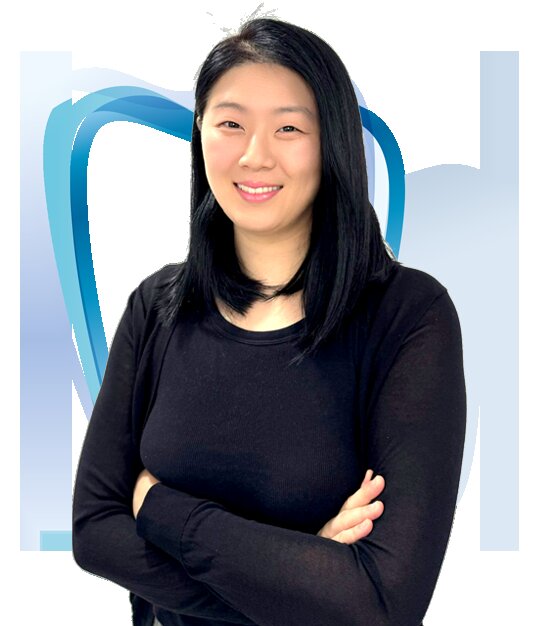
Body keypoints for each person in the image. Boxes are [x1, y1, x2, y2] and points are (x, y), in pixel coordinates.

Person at [72, 17, 466, 626]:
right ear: (200, 133)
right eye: (231, 124)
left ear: (332, 142)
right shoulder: (158, 305)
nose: (255, 155)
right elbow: (94, 530)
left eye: (288, 128)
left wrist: (159, 508)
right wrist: (302, 580)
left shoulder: (407, 316)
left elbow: (382, 607)